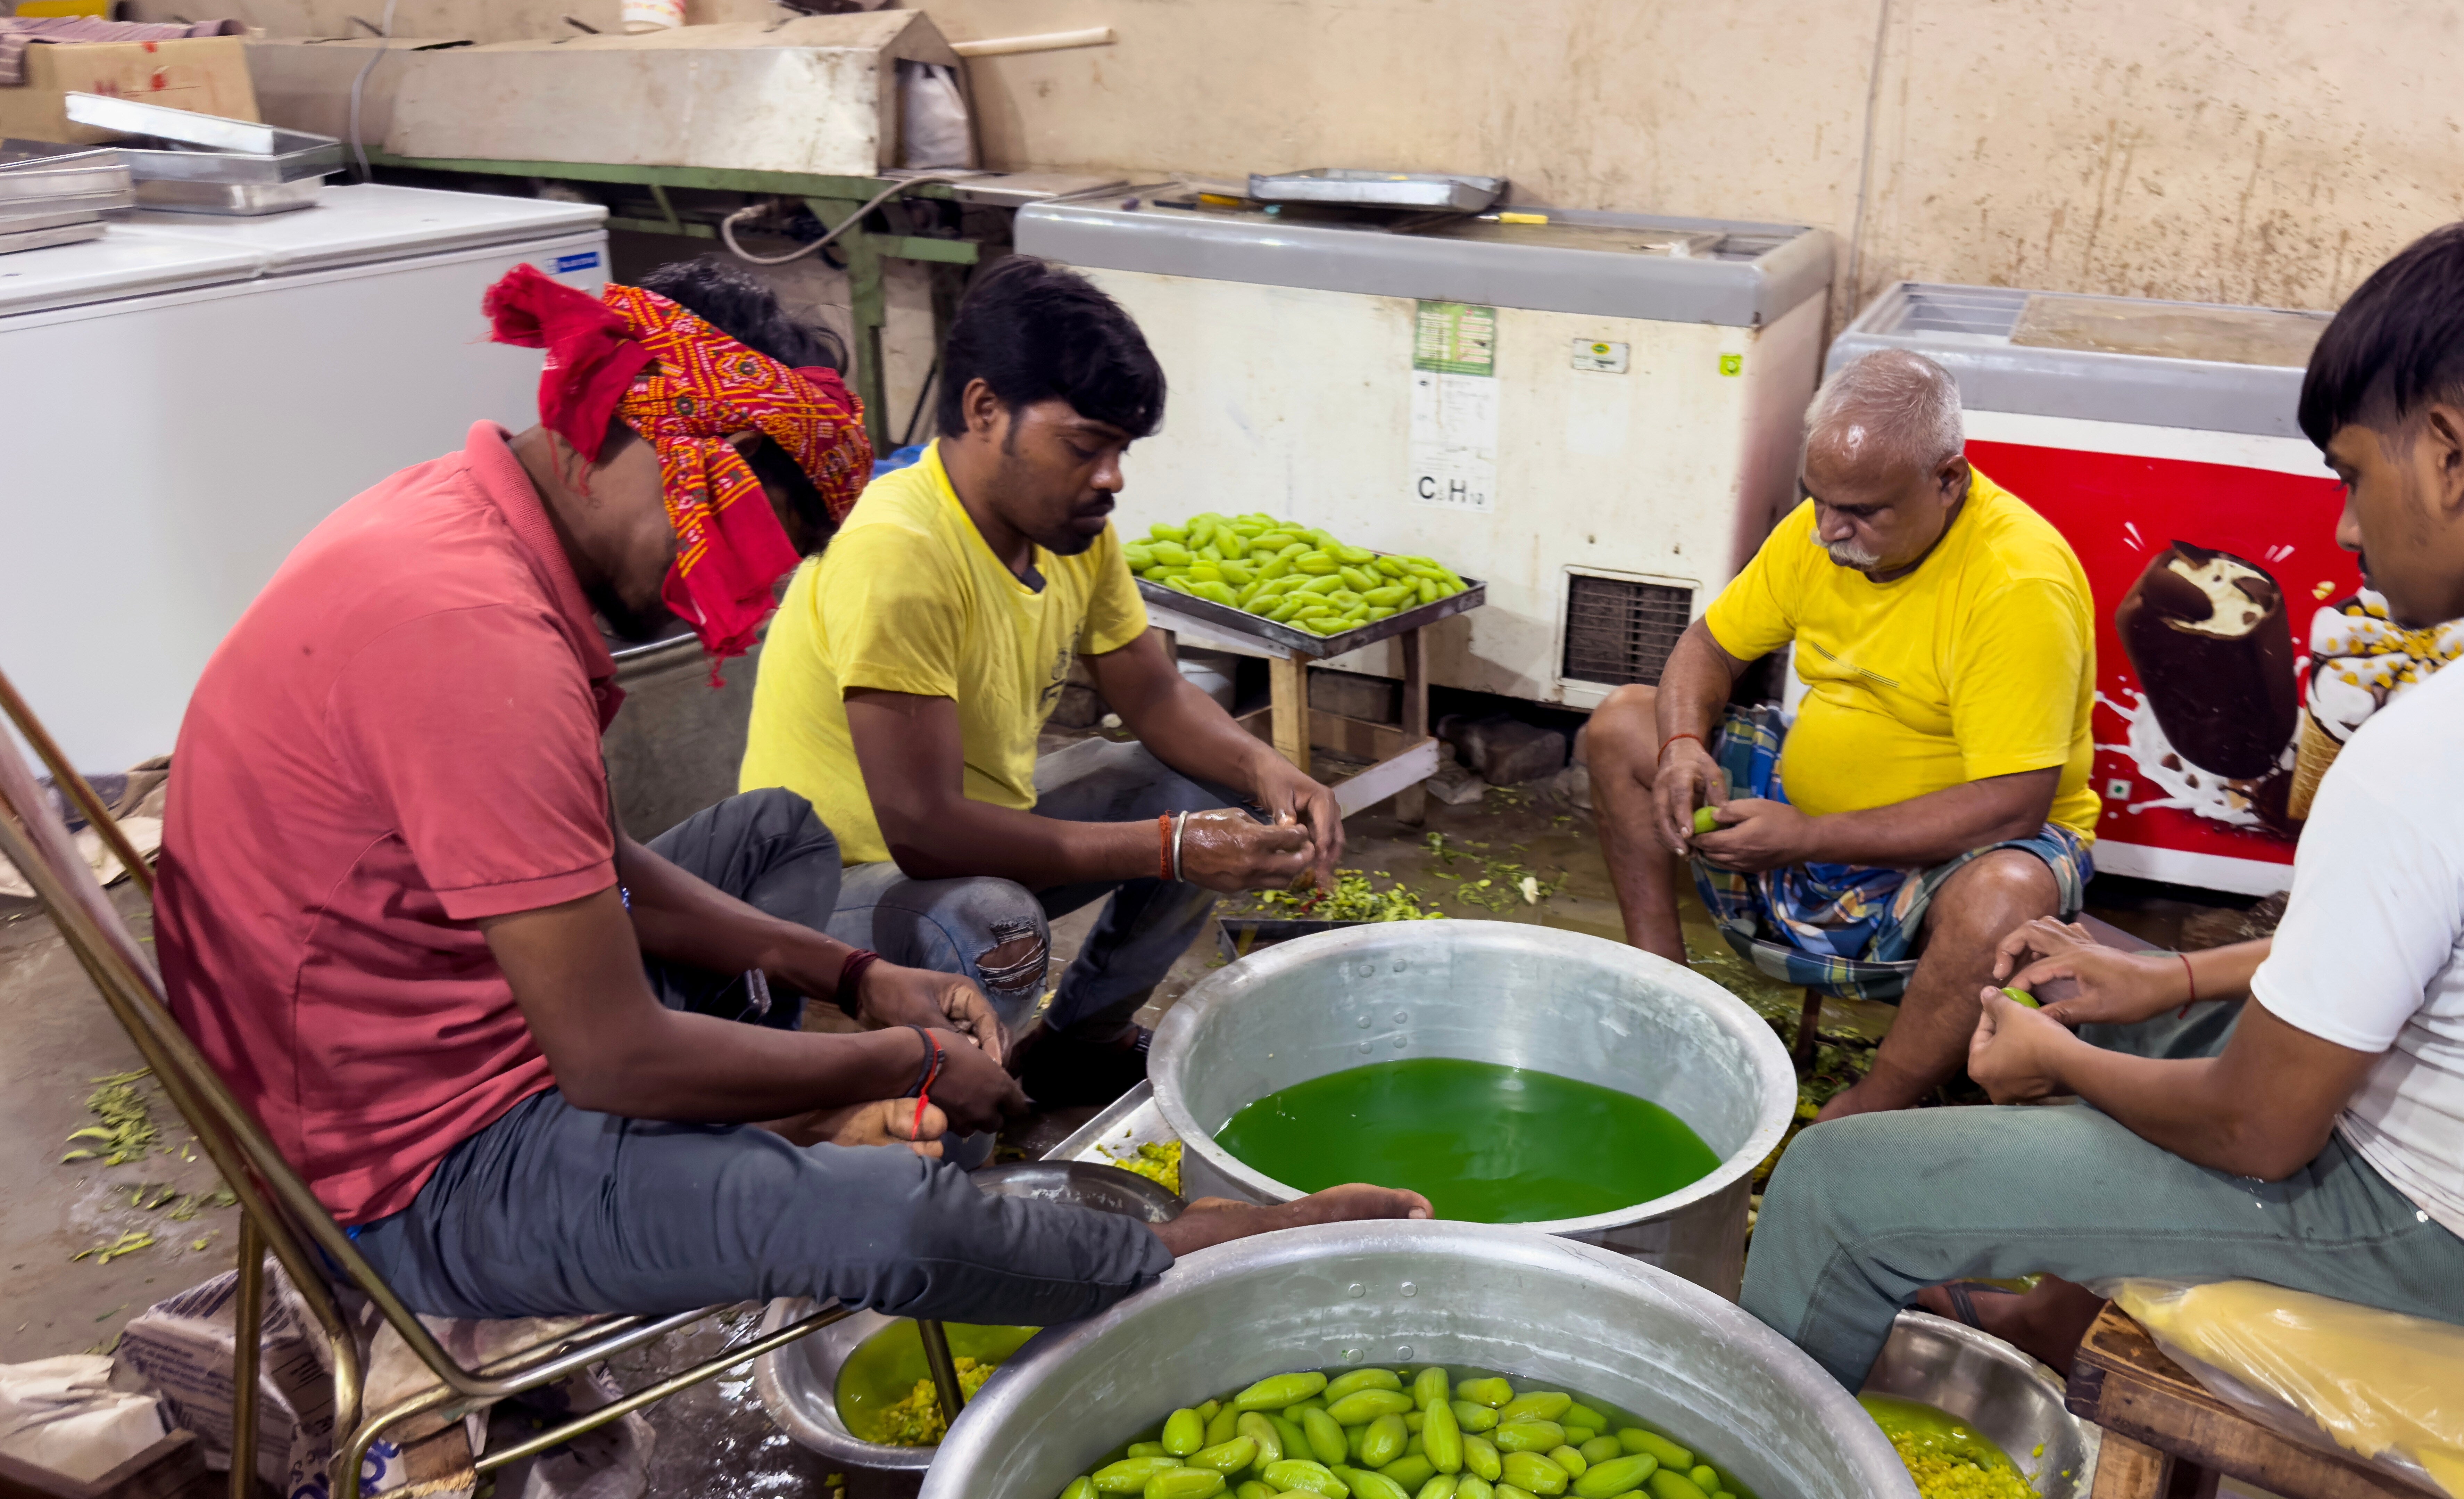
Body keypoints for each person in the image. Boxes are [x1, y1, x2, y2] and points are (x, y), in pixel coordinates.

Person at [154, 260, 1423, 1329]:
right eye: (737, 521)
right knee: (882, 1212)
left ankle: (821, 1092)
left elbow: (592, 859)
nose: (745, 592)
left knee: (773, 837)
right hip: (403, 1167)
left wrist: (849, 978)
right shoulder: (473, 639)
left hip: (430, 1017)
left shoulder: (454, 528)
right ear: (635, 427)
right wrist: (905, 1054)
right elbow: (608, 1057)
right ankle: (1186, 1248)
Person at [1742, 213, 2464, 1389]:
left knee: (1838, 1186)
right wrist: (2175, 974)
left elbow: (2256, 1129)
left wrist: (2058, 1062)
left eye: (2352, 472)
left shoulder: (2441, 745)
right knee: (2089, 975)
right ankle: (2043, 1327)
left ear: (2449, 452)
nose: (2345, 528)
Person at [738, 255, 1339, 1111]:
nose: (1112, 476)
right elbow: (925, 835)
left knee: (1201, 786)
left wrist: (1269, 773)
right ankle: (952, 1140)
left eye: (1121, 450)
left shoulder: (1068, 529)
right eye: (1084, 446)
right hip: (828, 888)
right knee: (993, 924)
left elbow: (1157, 695)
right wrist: (1170, 847)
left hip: (962, 839)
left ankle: (1077, 1046)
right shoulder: (899, 551)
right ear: (986, 411)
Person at [1585, 348, 2099, 1119]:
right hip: (1807, 824)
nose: (1830, 529)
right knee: (1624, 723)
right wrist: (1683, 747)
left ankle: (1873, 1104)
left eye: (1863, 511)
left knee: (2006, 892)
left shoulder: (2017, 583)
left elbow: (2012, 807)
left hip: (1952, 857)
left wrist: (1807, 835)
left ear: (1948, 480)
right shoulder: (1821, 529)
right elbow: (1709, 648)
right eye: (1818, 499)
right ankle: (1664, 992)